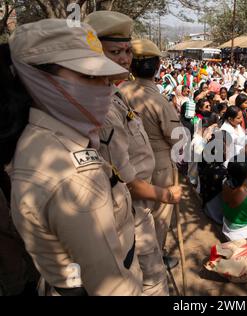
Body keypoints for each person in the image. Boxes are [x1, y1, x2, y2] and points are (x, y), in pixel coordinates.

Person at [6, 19, 144, 295]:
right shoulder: (72, 174)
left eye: (105, 77)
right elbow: (111, 287)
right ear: (37, 77)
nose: (104, 86)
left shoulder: (58, 136)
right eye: (88, 76)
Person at [85, 11, 183, 294]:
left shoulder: (118, 92)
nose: (125, 58)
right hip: (134, 197)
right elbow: (126, 177)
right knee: (151, 264)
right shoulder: (102, 107)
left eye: (128, 51)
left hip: (138, 189)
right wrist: (167, 194)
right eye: (115, 51)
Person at [120, 39, 184, 267]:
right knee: (157, 216)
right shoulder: (159, 100)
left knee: (133, 214)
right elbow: (177, 138)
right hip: (158, 166)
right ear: (157, 65)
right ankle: (154, 259)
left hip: (125, 162)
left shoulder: (118, 92)